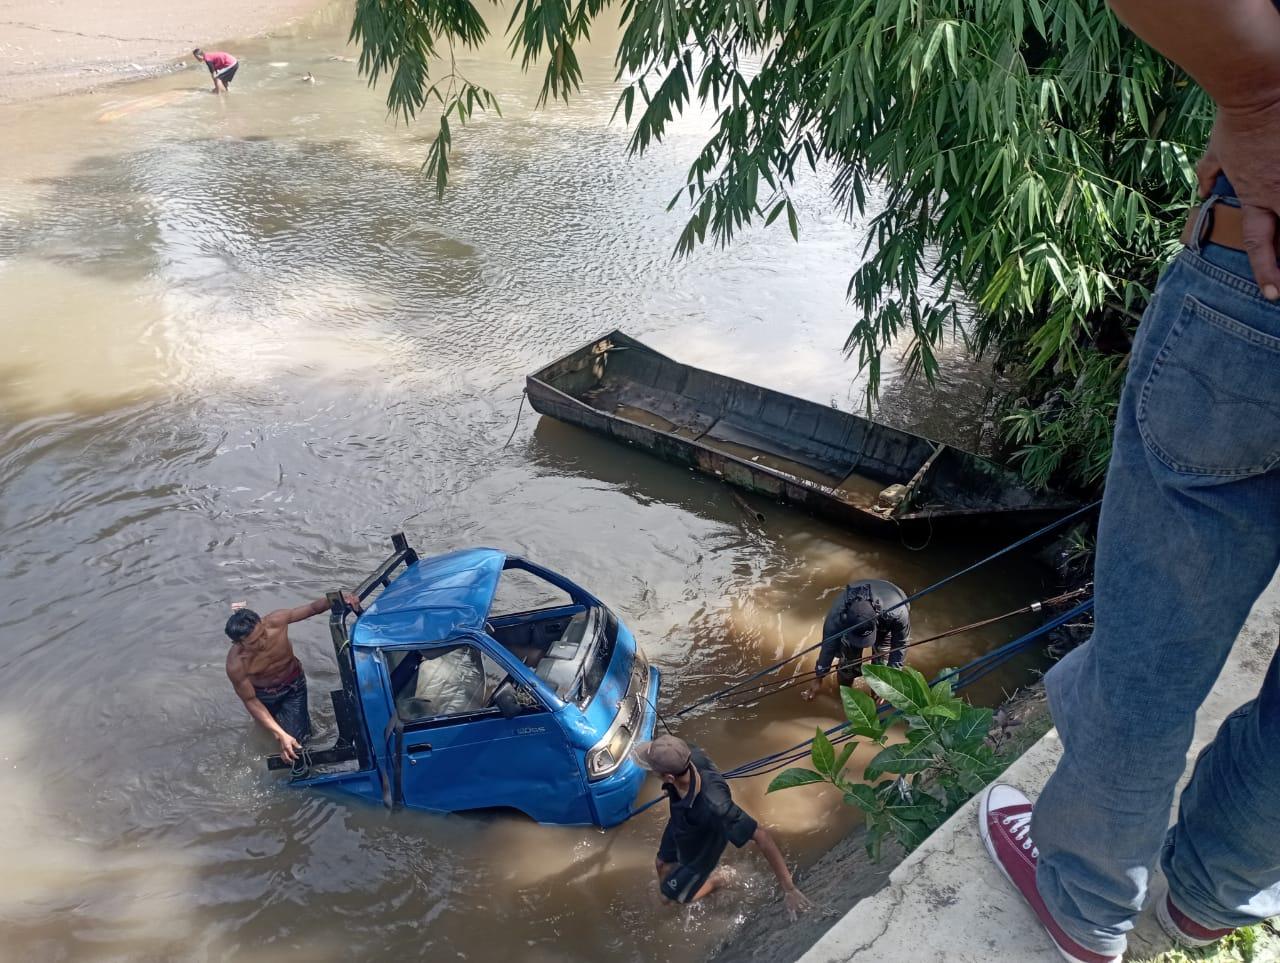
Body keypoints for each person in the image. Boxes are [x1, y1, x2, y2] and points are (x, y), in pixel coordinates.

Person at [978, 2, 1280, 962]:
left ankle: (1087, 901)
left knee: (1150, 656)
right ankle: (1210, 893)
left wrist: (1262, 94)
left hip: (1263, 291)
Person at [635, 734, 811, 918]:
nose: (652, 771)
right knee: (661, 863)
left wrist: (789, 889)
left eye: (654, 770)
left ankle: (719, 879)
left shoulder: (716, 807)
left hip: (704, 832)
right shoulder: (688, 756)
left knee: (674, 898)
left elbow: (761, 835)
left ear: (670, 777)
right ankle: (673, 887)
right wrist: (670, 789)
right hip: (681, 818)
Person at [225, 593, 358, 763]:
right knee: (273, 731)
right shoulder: (236, 664)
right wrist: (280, 734)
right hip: (263, 695)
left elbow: (312, 609)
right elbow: (250, 700)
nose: (263, 642)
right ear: (238, 644)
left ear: (262, 623)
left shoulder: (276, 621)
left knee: (298, 741)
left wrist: (338, 599)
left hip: (293, 687)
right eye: (253, 643)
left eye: (262, 634)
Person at [802, 578, 910, 701]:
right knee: (847, 664)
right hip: (853, 621)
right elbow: (828, 647)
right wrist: (818, 678)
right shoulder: (837, 616)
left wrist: (891, 683)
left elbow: (901, 644)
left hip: (888, 609)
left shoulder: (897, 613)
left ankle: (877, 697)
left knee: (882, 664)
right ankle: (844, 696)